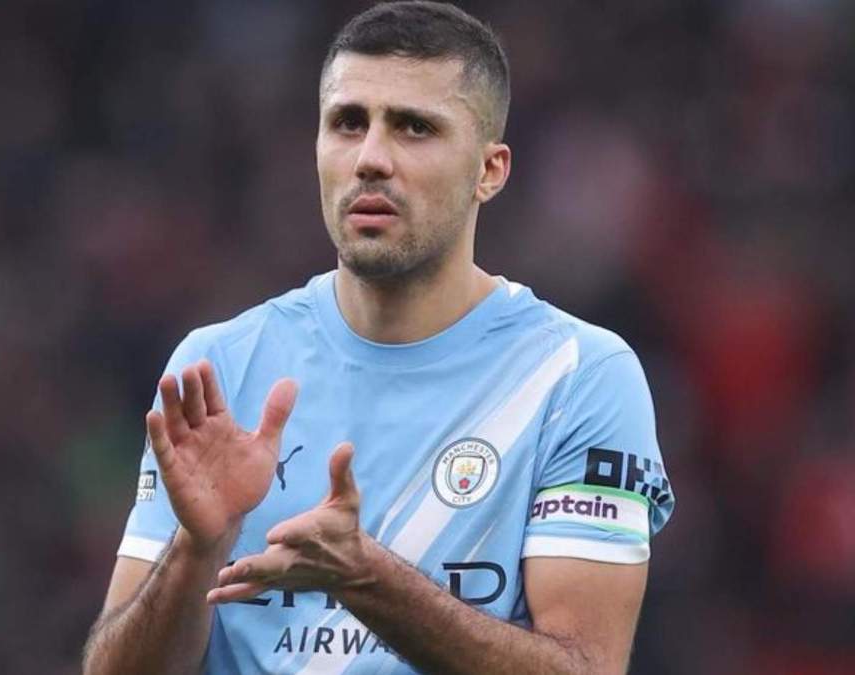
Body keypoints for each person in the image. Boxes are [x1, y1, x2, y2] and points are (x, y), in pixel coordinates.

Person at [82, 2, 675, 673]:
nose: (370, 158)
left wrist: (367, 577)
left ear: (491, 170)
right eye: (347, 122)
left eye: (414, 128)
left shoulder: (579, 376)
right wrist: (196, 548)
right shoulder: (217, 365)